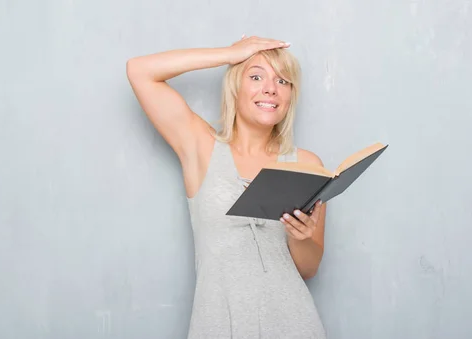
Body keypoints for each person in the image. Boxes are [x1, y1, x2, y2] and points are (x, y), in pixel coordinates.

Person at [126, 35, 327, 338]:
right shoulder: (201, 147)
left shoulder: (308, 165)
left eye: (283, 81)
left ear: (289, 96)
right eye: (256, 76)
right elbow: (140, 71)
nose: (271, 88)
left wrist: (301, 237)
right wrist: (231, 54)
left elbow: (309, 268)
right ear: (235, 86)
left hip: (295, 326)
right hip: (218, 326)